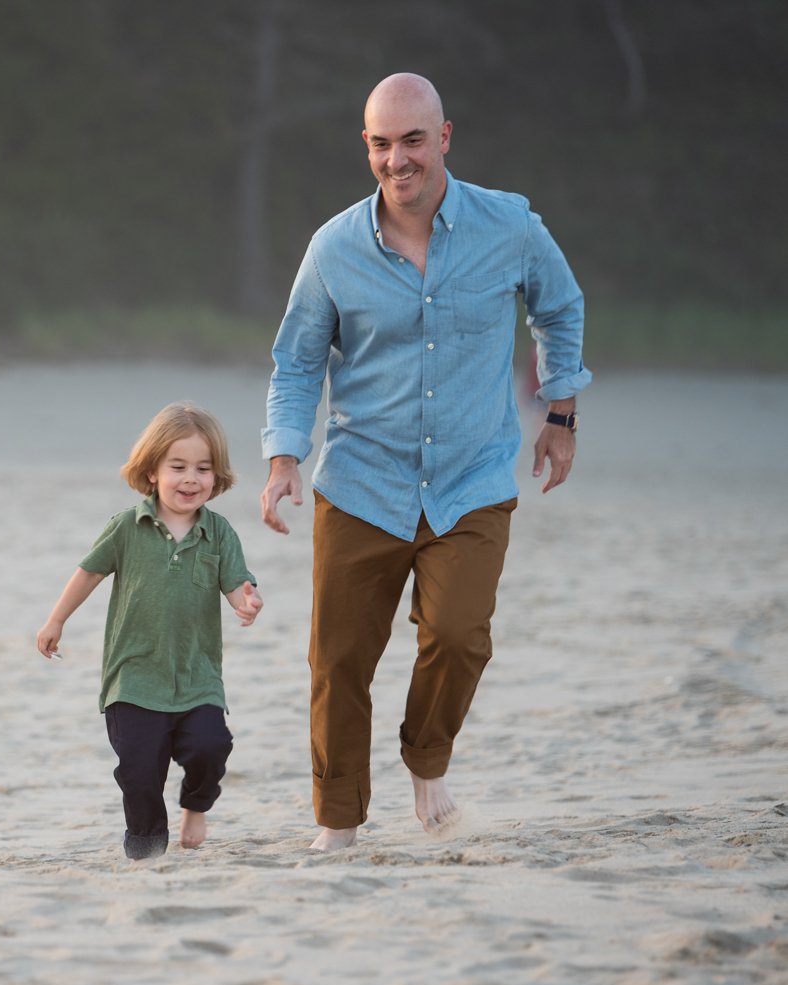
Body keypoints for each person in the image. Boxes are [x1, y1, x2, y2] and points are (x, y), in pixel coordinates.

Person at [259, 73, 590, 852]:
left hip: (472, 478)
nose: (397, 159)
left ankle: (426, 758)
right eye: (381, 143)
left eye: (413, 139)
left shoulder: (507, 224)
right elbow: (297, 361)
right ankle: (339, 823)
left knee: (460, 632)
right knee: (338, 662)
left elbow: (560, 305)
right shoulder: (334, 247)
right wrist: (283, 457)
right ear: (366, 146)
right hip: (361, 482)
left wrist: (562, 413)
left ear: (444, 137)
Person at [37, 403, 263, 859]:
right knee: (140, 772)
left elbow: (237, 584)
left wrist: (247, 602)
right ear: (152, 470)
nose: (191, 479)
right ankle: (146, 850)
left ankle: (196, 805)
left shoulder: (219, 534)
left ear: (217, 477)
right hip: (133, 678)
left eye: (203, 469)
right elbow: (89, 573)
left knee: (210, 747)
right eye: (178, 467)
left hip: (196, 677)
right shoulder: (126, 527)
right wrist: (56, 619)